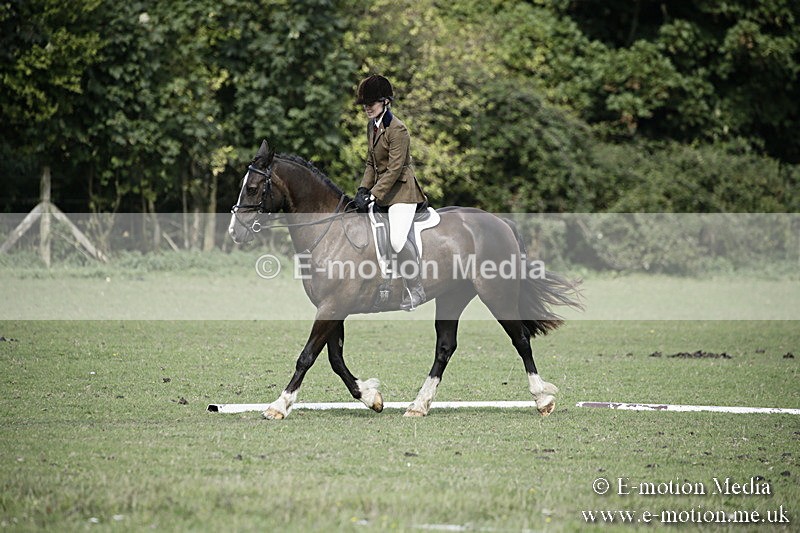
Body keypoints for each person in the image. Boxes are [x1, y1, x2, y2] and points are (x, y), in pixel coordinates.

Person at [353, 75, 427, 311]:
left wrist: (373, 194)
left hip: (402, 193)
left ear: (385, 102)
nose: (367, 107)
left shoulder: (398, 130)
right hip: (382, 191)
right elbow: (370, 164)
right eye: (365, 104)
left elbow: (395, 169)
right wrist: (363, 189)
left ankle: (416, 288)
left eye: (371, 103)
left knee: (396, 240)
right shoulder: (372, 126)